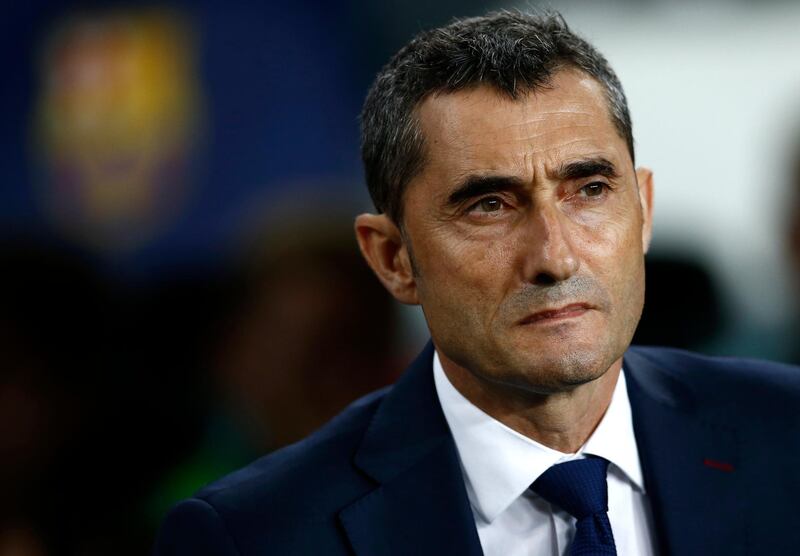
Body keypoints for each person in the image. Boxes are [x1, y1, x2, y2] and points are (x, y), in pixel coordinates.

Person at [154, 11, 800, 555]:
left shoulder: (786, 436)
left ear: (644, 211)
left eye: (591, 191)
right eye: (489, 205)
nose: (555, 256)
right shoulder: (255, 536)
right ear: (392, 258)